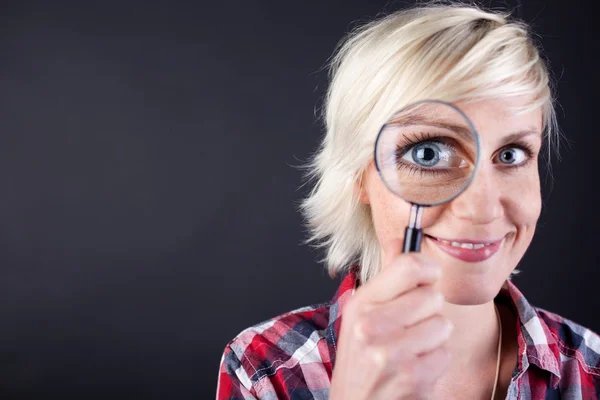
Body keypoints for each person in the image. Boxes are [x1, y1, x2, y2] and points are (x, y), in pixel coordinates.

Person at [216, 2, 600, 399]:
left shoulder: (591, 369)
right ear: (359, 175)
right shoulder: (266, 372)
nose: (483, 207)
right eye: (428, 153)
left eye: (511, 154)